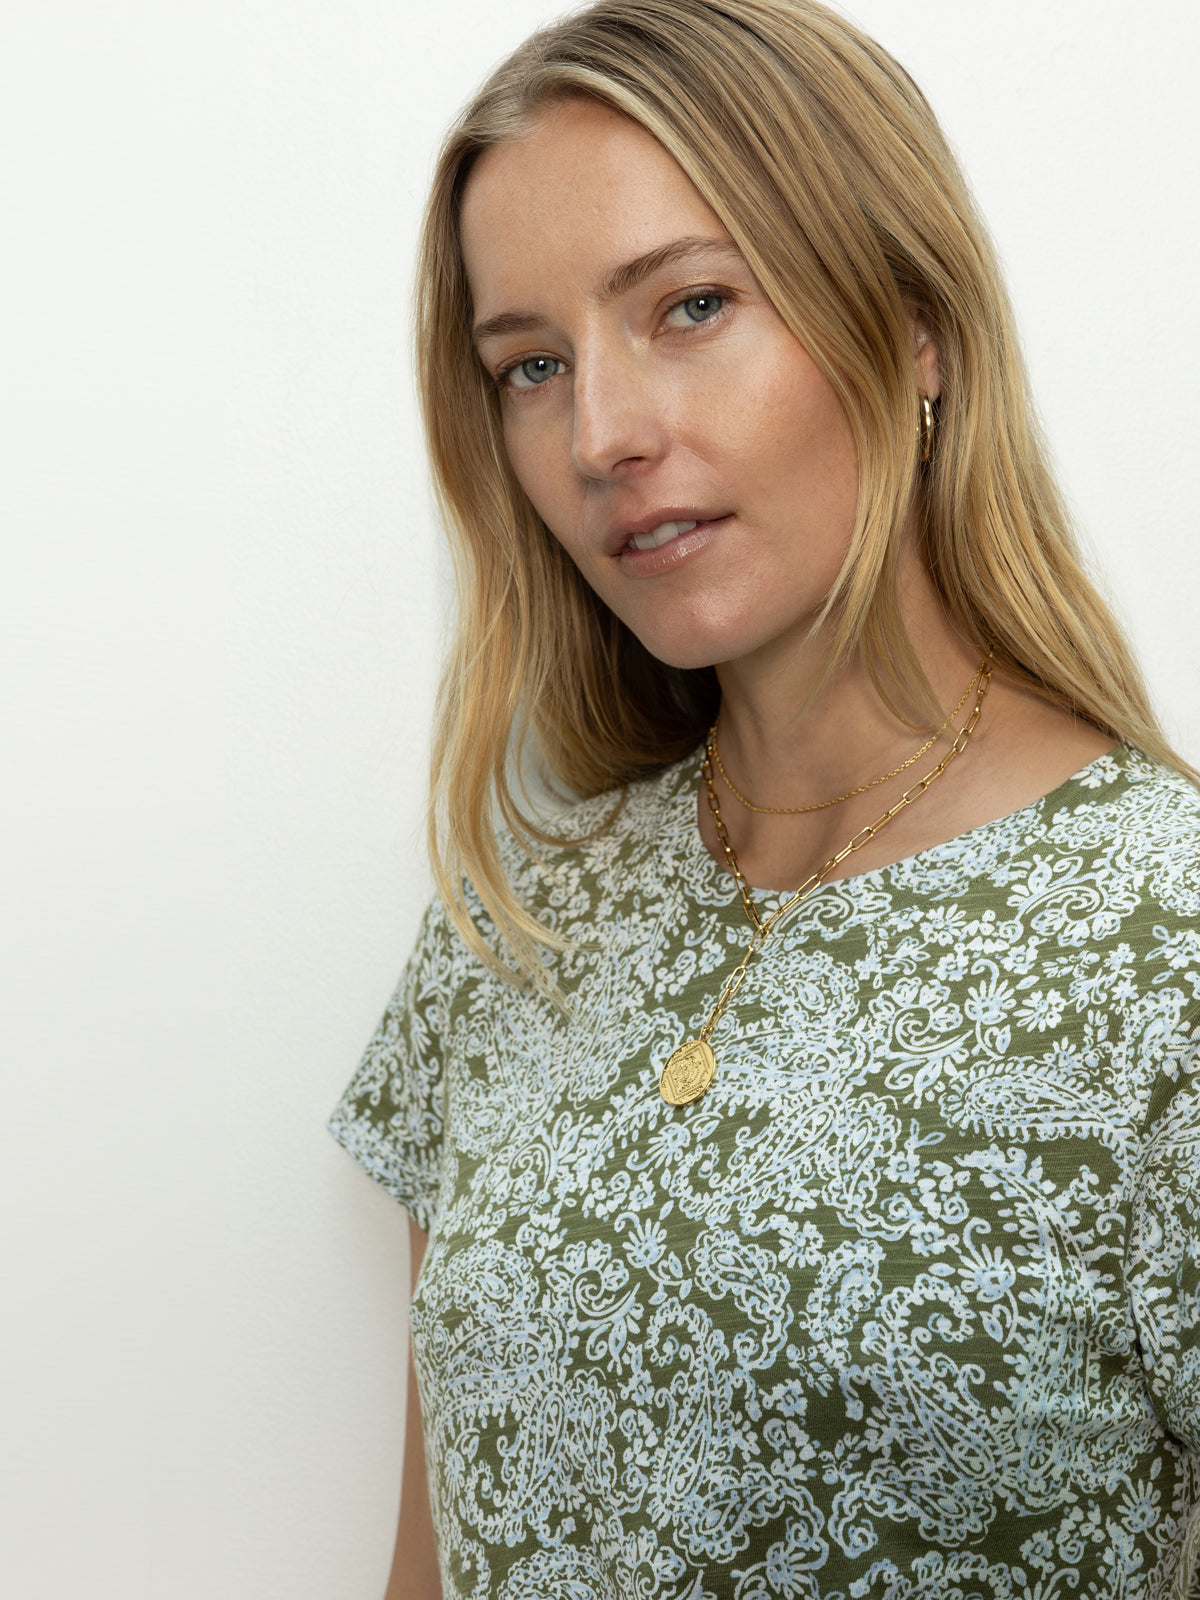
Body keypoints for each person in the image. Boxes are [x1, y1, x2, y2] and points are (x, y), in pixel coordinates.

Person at [329, 1, 1200, 1595]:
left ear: (915, 327)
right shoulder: (517, 924)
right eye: (528, 366)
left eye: (692, 305)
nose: (601, 435)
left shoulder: (1167, 946)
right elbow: (432, 1566)